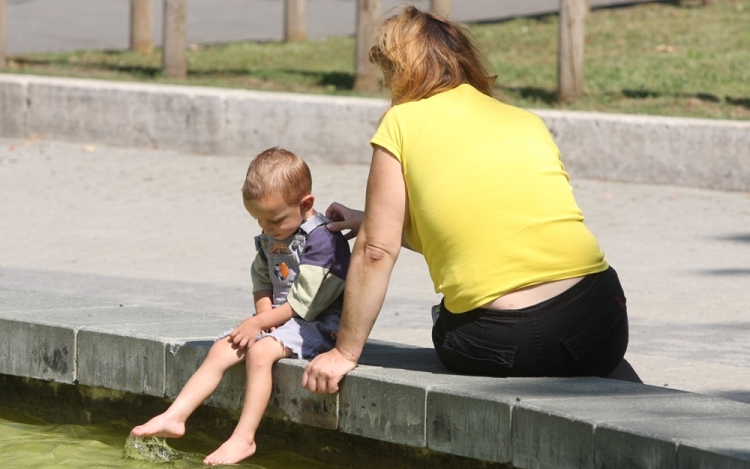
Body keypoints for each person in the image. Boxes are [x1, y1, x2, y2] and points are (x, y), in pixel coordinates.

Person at [301, 6, 640, 394]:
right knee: (579, 343)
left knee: (447, 321)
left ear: (398, 70)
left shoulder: (401, 122)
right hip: (599, 322)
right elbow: (483, 231)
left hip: (500, 341)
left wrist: (345, 352)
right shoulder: (524, 120)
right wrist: (370, 220)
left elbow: (376, 251)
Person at [131, 147, 351, 466]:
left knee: (261, 353)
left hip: (321, 322)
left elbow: (306, 302)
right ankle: (173, 416)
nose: (267, 228)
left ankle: (243, 438)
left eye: (274, 220)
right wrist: (262, 315)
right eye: (259, 220)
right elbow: (262, 276)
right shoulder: (272, 232)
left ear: (306, 204)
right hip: (278, 317)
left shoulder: (323, 242)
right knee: (224, 348)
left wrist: (261, 324)